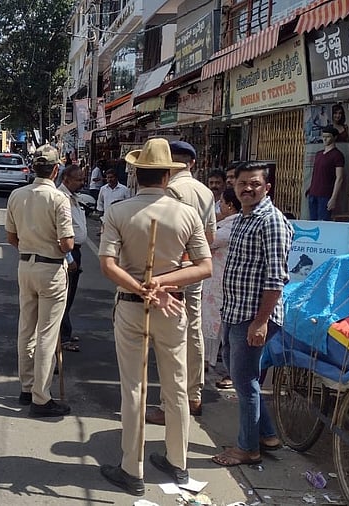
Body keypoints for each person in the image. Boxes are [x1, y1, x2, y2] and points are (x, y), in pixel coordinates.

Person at [98, 138, 212, 495]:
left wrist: (144, 286)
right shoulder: (186, 214)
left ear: (136, 174)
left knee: (134, 388)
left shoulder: (118, 211)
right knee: (176, 387)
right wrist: (161, 284)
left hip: (132, 304)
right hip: (172, 307)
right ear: (167, 176)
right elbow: (204, 267)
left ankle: (132, 469)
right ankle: (179, 463)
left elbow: (107, 265)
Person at [212, 161, 291, 468]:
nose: (247, 189)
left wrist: (260, 322)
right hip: (235, 311)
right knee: (243, 377)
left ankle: (247, 448)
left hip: (253, 315)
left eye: (255, 184)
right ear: (234, 186)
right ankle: (267, 436)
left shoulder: (271, 221)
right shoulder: (245, 218)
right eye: (242, 183)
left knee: (244, 382)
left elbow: (275, 279)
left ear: (266, 187)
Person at [146, 140, 216, 426]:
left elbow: (163, 234)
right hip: (194, 268)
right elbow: (209, 238)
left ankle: (170, 404)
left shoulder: (171, 191)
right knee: (193, 330)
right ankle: (193, 395)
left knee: (170, 339)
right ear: (193, 163)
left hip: (171, 270)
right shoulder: (205, 191)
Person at [5, 144, 74, 418]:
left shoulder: (17, 195)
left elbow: (11, 237)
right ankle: (41, 398)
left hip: (26, 265)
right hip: (51, 268)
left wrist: (31, 245)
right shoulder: (58, 199)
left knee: (26, 328)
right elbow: (67, 244)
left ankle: (27, 387)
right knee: (47, 334)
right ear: (56, 170)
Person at [201, 187, 242, 389]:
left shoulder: (231, 227)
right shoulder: (233, 223)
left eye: (222, 204)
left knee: (217, 326)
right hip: (219, 281)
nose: (220, 208)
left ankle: (222, 368)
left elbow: (206, 241)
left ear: (230, 206)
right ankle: (208, 361)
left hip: (221, 283)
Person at [57, 165, 87, 353]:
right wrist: (68, 258)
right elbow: (58, 232)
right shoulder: (61, 199)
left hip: (76, 250)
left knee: (69, 296)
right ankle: (62, 337)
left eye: (83, 179)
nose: (82, 183)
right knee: (64, 297)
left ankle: (65, 333)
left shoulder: (74, 197)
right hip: (68, 251)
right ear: (66, 179)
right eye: (78, 179)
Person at [306, 125, 345, 220]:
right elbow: (316, 173)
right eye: (323, 136)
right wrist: (310, 188)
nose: (325, 139)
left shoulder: (337, 155)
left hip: (325, 195)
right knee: (312, 222)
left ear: (334, 137)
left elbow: (339, 178)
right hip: (313, 193)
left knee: (323, 222)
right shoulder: (318, 154)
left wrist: (333, 198)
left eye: (328, 137)